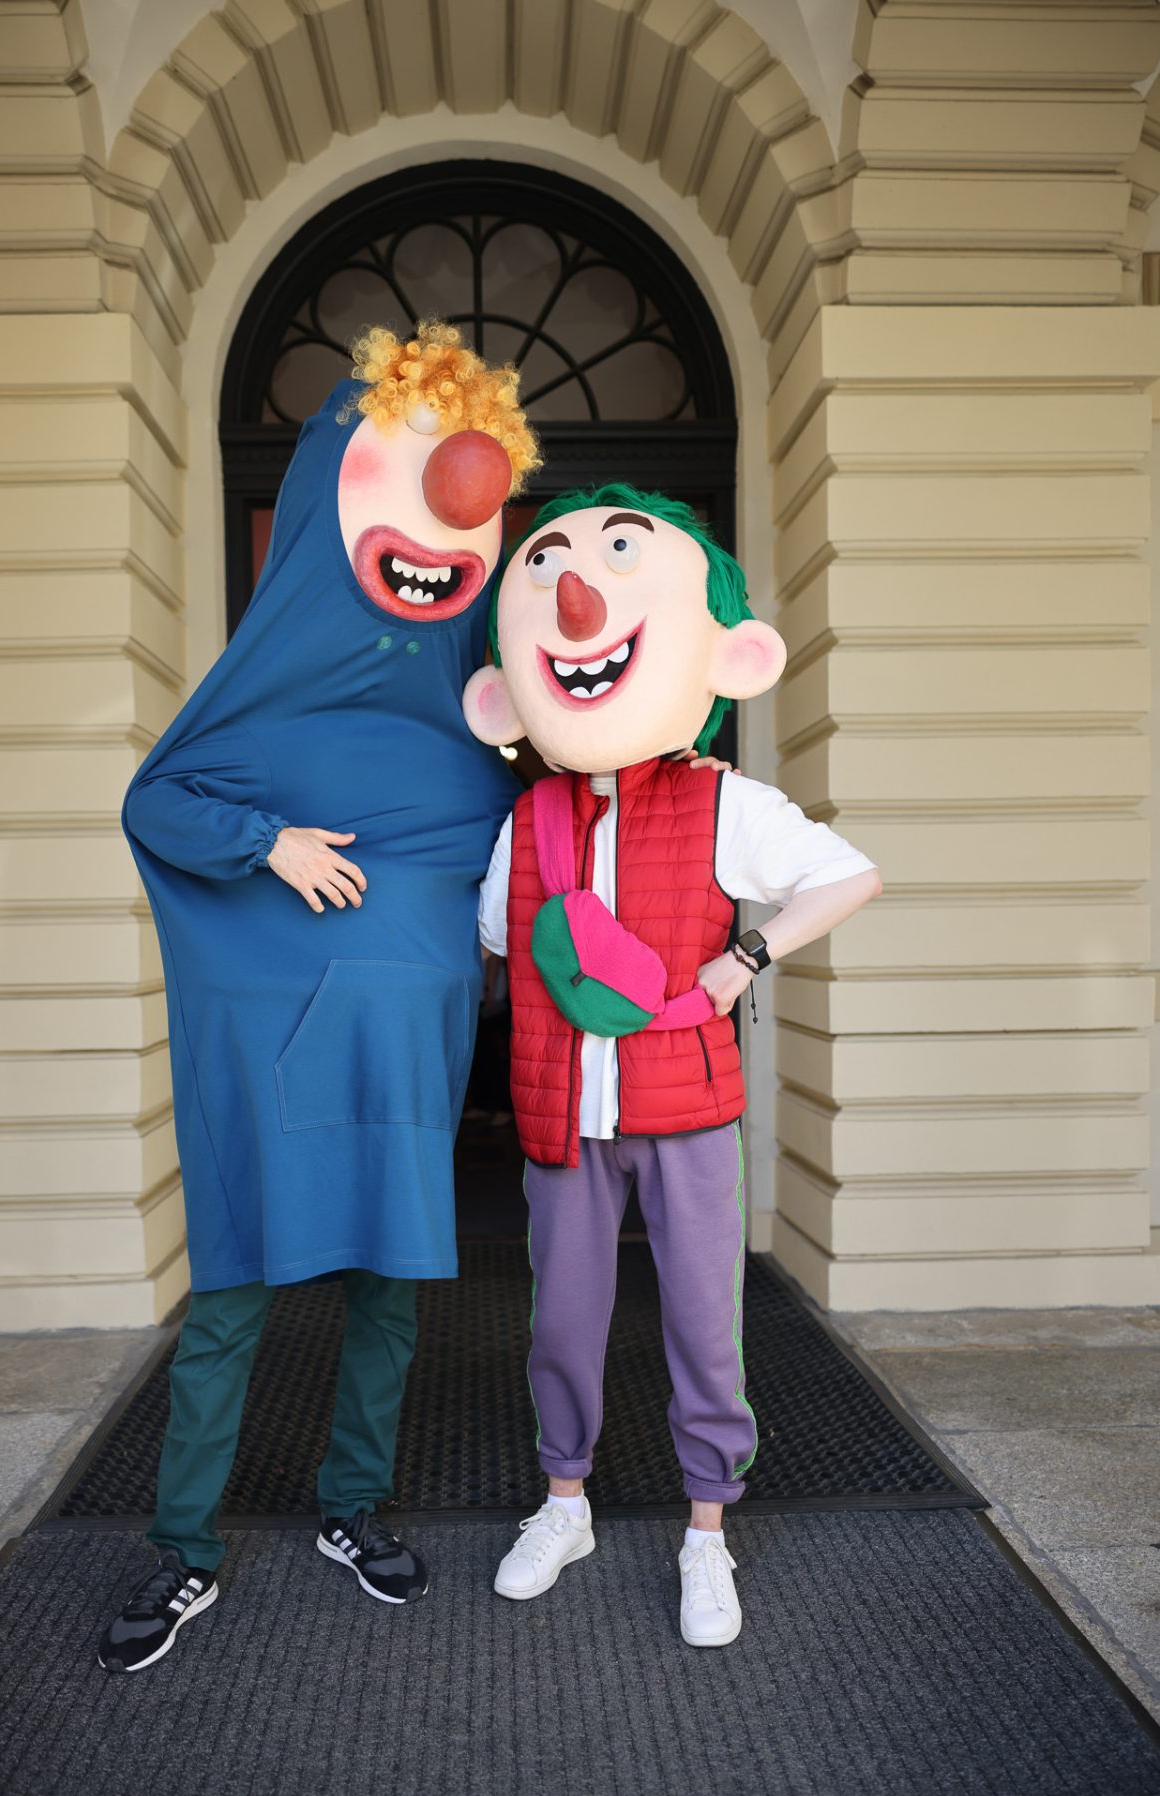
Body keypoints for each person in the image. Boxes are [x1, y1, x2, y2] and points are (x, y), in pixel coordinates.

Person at [98, 325, 538, 1672]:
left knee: (387, 1293)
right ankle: (185, 1548)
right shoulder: (256, 705)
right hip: (266, 1060)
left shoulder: (478, 726)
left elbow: (548, 842)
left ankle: (351, 1505)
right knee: (231, 1300)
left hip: (398, 1059)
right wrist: (267, 844)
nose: (453, 495)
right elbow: (155, 801)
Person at [463, 484, 882, 1648]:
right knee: (562, 1322)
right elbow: (498, 937)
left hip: (686, 1108)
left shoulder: (722, 802)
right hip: (562, 1117)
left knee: (704, 1324)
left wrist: (745, 957)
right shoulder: (526, 820)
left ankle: (707, 1531)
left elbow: (848, 877)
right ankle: (565, 1505)